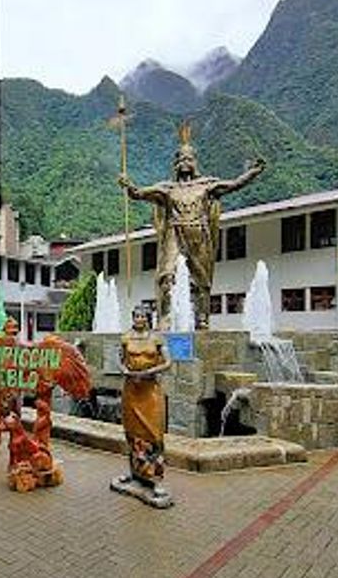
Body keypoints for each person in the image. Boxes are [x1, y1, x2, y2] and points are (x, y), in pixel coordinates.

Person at [119, 123, 265, 329]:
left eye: (188, 158)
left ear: (195, 162)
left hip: (199, 235)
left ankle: (202, 318)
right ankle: (166, 318)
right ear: (175, 164)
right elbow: (139, 193)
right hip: (174, 233)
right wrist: (129, 185)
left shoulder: (207, 185)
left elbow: (234, 184)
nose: (184, 162)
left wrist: (253, 173)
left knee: (200, 280)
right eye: (180, 159)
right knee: (166, 276)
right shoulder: (167, 189)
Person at [112, 305, 173, 507]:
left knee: (154, 434)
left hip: (150, 389)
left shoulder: (156, 338)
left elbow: (168, 362)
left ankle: (155, 480)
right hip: (131, 389)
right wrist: (125, 371)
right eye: (136, 315)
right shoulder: (126, 337)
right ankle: (135, 474)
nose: (139, 319)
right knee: (132, 432)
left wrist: (150, 371)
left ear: (148, 318)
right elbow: (119, 360)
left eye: (142, 316)